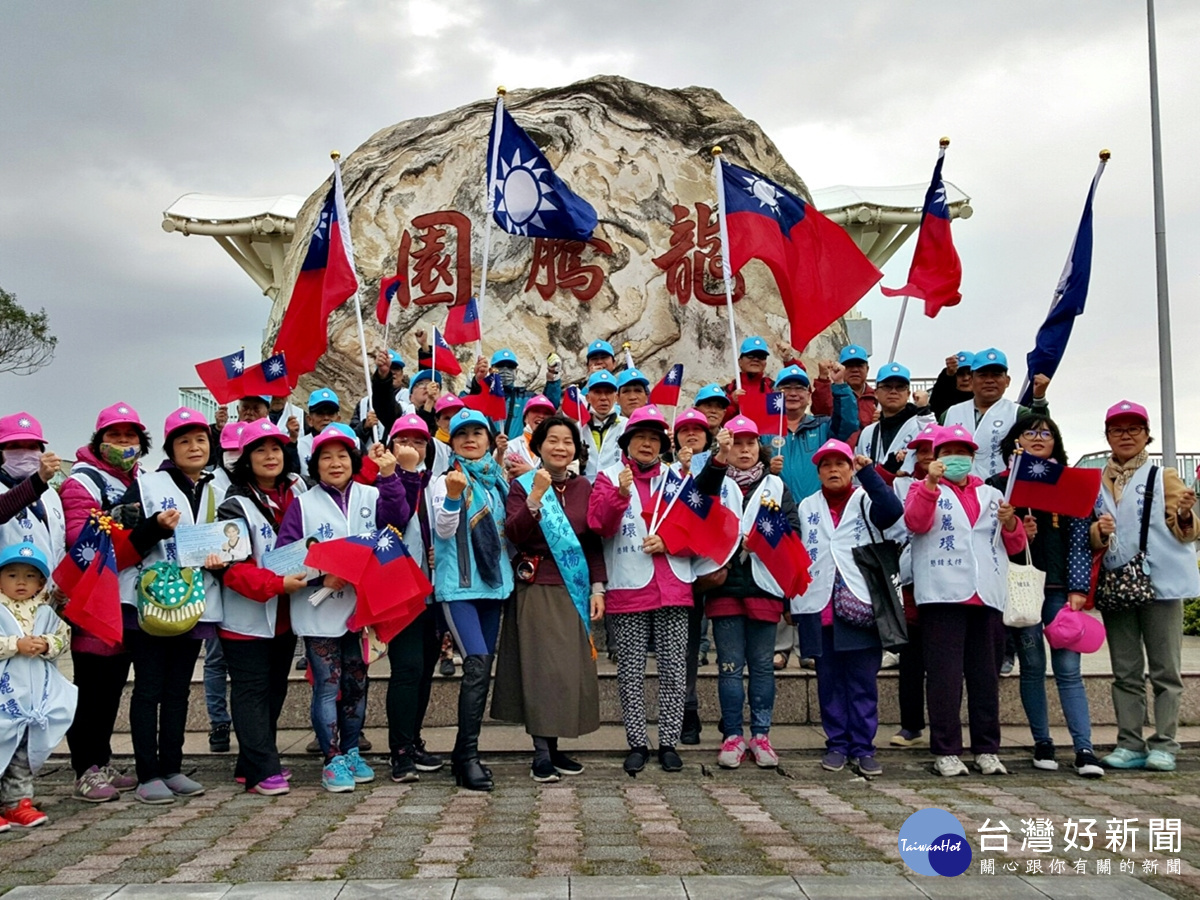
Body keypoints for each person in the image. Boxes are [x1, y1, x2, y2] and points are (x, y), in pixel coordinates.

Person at [588, 406, 729, 775]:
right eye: (640, 437)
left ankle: (669, 741)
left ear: (662, 444)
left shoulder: (679, 479)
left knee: (673, 670)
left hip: (672, 587)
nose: (647, 444)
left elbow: (698, 528)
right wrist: (619, 495)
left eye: (653, 438)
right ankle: (636, 741)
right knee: (630, 672)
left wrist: (670, 542)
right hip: (628, 588)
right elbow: (598, 525)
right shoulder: (607, 478)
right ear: (627, 443)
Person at [276, 424, 409, 792]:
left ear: (353, 460)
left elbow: (397, 520)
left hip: (361, 610)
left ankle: (351, 750)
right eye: (325, 457)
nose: (335, 463)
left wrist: (389, 475)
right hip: (318, 611)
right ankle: (331, 758)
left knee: (357, 684)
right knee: (326, 686)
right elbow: (286, 557)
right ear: (315, 464)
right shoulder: (303, 504)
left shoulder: (371, 493)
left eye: (342, 455)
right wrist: (321, 576)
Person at [116, 407, 227, 804]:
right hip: (147, 602)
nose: (194, 447)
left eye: (200, 440)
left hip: (192, 600)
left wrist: (223, 557)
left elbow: (225, 540)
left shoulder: (217, 487)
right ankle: (148, 773)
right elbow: (119, 542)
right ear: (169, 449)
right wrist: (154, 527)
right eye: (184, 441)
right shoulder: (146, 485)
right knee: (148, 688)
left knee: (178, 688)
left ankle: (172, 767)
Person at [905, 425, 1026, 777]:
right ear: (935, 458)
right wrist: (929, 485)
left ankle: (987, 748)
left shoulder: (992, 494)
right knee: (944, 677)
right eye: (948, 453)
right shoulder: (921, 488)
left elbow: (1015, 546)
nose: (956, 459)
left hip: (986, 595)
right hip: (943, 594)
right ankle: (946, 750)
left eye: (963, 452)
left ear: (973, 458)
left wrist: (1011, 523)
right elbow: (915, 522)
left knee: (984, 677)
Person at [988, 414, 1103, 778]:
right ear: (1015, 440)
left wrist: (1079, 588)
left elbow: (1082, 542)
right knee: (1033, 668)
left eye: (1046, 433)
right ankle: (1042, 742)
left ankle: (1084, 748)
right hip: (1022, 589)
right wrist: (1019, 535)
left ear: (1056, 441)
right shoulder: (999, 486)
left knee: (1069, 670)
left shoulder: (1068, 483)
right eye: (1030, 432)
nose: (1038, 438)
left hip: (1059, 593)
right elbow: (988, 546)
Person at [494, 414, 606, 782]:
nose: (560, 447)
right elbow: (514, 532)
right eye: (552, 440)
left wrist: (598, 588)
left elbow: (591, 543)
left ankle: (555, 748)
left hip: (572, 588)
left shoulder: (584, 488)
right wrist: (536, 496)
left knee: (565, 672)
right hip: (537, 586)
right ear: (537, 446)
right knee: (540, 670)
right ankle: (541, 753)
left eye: (567, 441)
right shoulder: (522, 485)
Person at [1091, 400, 1199, 773]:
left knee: (1166, 668)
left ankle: (1165, 743)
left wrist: (1185, 513)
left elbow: (1185, 530)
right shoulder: (1096, 479)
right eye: (1118, 429)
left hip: (1160, 582)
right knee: (1125, 669)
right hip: (1117, 583)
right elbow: (1089, 535)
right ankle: (1129, 742)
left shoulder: (1163, 475)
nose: (1126, 435)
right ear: (1107, 436)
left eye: (1133, 429)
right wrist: (1097, 533)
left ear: (1145, 434)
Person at [792, 439, 903, 777]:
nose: (833, 470)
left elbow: (892, 510)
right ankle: (837, 744)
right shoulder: (807, 505)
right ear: (819, 472)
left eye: (840, 464)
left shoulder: (865, 499)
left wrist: (869, 473)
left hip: (860, 604)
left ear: (850, 468)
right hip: (818, 604)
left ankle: (863, 747)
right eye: (826, 465)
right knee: (829, 682)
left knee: (861, 683)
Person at [59, 402, 148, 802]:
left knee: (112, 686)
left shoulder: (144, 479)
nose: (123, 443)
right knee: (92, 686)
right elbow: (83, 543)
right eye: (115, 436)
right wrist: (140, 534)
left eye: (130, 437)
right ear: (99, 441)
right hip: (95, 600)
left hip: (130, 599)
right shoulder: (82, 482)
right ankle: (85, 768)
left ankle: (102, 759)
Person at [216, 419, 307, 795]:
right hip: (246, 616)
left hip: (285, 615)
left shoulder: (297, 492)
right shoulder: (233, 504)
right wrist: (274, 584)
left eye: (276, 449)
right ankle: (261, 769)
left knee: (274, 690)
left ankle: (251, 760)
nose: (270, 456)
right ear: (246, 458)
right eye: (260, 450)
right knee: (251, 691)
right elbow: (232, 569)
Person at [701, 416, 797, 770]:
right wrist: (717, 458)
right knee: (728, 667)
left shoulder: (775, 484)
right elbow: (699, 508)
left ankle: (761, 734)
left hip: (765, 586)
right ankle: (732, 735)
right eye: (737, 443)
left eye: (750, 444)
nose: (743, 450)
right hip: (725, 586)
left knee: (761, 666)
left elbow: (793, 528)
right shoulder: (718, 481)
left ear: (760, 447)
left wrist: (761, 538)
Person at [431, 409, 514, 791]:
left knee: (483, 667)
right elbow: (443, 532)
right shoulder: (444, 481)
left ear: (488, 438)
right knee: (477, 665)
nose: (469, 439)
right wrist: (451, 497)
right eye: (461, 433)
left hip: (493, 588)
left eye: (477, 432)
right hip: (459, 588)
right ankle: (466, 756)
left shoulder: (499, 482)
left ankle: (465, 755)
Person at [766, 364, 857, 669]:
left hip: (818, 515)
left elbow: (849, 426)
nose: (791, 394)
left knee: (811, 578)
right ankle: (780, 646)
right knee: (780, 576)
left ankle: (808, 645)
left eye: (798, 388)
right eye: (784, 389)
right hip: (777, 513)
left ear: (808, 395)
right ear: (775, 395)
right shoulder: (765, 429)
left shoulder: (821, 426)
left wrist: (840, 386)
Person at [383, 414, 447, 782]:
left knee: (423, 672)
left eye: (419, 441)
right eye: (403, 440)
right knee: (406, 670)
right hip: (400, 590)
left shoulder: (436, 482)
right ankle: (400, 750)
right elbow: (395, 516)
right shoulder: (380, 482)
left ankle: (414, 739)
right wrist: (401, 473)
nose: (412, 447)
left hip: (433, 590)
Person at [0, 544, 75, 828]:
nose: (21, 582)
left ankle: (18, 802)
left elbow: (63, 637)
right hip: (4, 696)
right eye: (12, 575)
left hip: (32, 700)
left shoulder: (44, 611)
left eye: (30, 576)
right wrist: (14, 645)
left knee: (22, 752)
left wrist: (46, 644)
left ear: (41, 583)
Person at [672, 407, 722, 745]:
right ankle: (684, 711)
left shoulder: (722, 467)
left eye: (698, 430)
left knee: (693, 644)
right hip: (671, 566)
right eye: (685, 429)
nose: (692, 434)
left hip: (708, 566)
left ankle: (689, 710)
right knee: (680, 648)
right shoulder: (663, 470)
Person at [887, 424, 936, 749]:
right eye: (922, 448)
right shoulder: (902, 484)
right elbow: (894, 526)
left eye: (933, 447)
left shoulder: (961, 485)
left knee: (944, 662)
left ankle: (947, 726)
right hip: (910, 583)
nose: (927, 454)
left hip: (947, 583)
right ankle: (911, 725)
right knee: (911, 660)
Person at [940, 348, 1051, 479]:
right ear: (971, 380)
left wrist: (1039, 399)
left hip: (1001, 493)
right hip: (956, 492)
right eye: (983, 375)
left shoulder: (1018, 413)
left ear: (1007, 381)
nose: (989, 380)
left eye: (996, 375)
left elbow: (1040, 440)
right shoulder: (950, 414)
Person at [0, 412, 65, 574]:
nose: (24, 452)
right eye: (14, 446)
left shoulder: (51, 494)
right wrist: (38, 480)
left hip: (48, 594)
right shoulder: (39, 483)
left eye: (32, 447)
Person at [467, 348, 562, 440]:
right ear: (491, 371)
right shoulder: (482, 396)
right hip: (488, 454)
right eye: (500, 366)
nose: (505, 370)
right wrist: (474, 383)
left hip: (518, 453)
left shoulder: (526, 397)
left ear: (516, 372)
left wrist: (553, 377)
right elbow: (465, 409)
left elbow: (549, 406)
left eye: (510, 367)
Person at [855, 363, 934, 474]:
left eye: (900, 387)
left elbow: (935, 442)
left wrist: (924, 410)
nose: (893, 391)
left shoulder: (922, 423)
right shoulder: (868, 433)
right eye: (887, 386)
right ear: (876, 393)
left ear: (908, 394)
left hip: (914, 489)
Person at [582, 370, 624, 483]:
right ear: (588, 397)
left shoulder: (627, 425)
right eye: (597, 392)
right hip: (586, 489)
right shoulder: (578, 427)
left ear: (616, 397)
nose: (603, 398)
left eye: (608, 392)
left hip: (616, 489)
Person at [722, 335, 777, 420]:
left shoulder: (773, 388)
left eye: (761, 356)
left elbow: (798, 389)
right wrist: (732, 402)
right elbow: (714, 423)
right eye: (750, 355)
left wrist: (788, 360)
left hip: (767, 433)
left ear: (765, 363)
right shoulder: (727, 391)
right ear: (740, 362)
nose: (756, 359)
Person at [504, 394, 557, 478]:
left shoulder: (558, 448)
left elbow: (564, 479)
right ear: (525, 418)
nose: (541, 416)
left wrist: (531, 472)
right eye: (536, 411)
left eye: (546, 413)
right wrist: (499, 454)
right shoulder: (509, 447)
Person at [296, 389, 342, 475]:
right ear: (309, 420)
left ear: (338, 419)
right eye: (320, 413)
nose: (326, 418)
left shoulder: (353, 441)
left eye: (331, 413)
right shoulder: (299, 446)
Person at [836, 345, 876, 439]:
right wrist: (823, 379)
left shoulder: (878, 399)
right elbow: (820, 408)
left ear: (867, 369)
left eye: (859, 365)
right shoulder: (833, 396)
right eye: (849, 366)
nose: (854, 370)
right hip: (843, 451)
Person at [930, 351, 975, 417]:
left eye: (970, 374)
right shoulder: (945, 401)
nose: (966, 378)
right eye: (960, 374)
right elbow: (937, 399)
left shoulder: (987, 400)